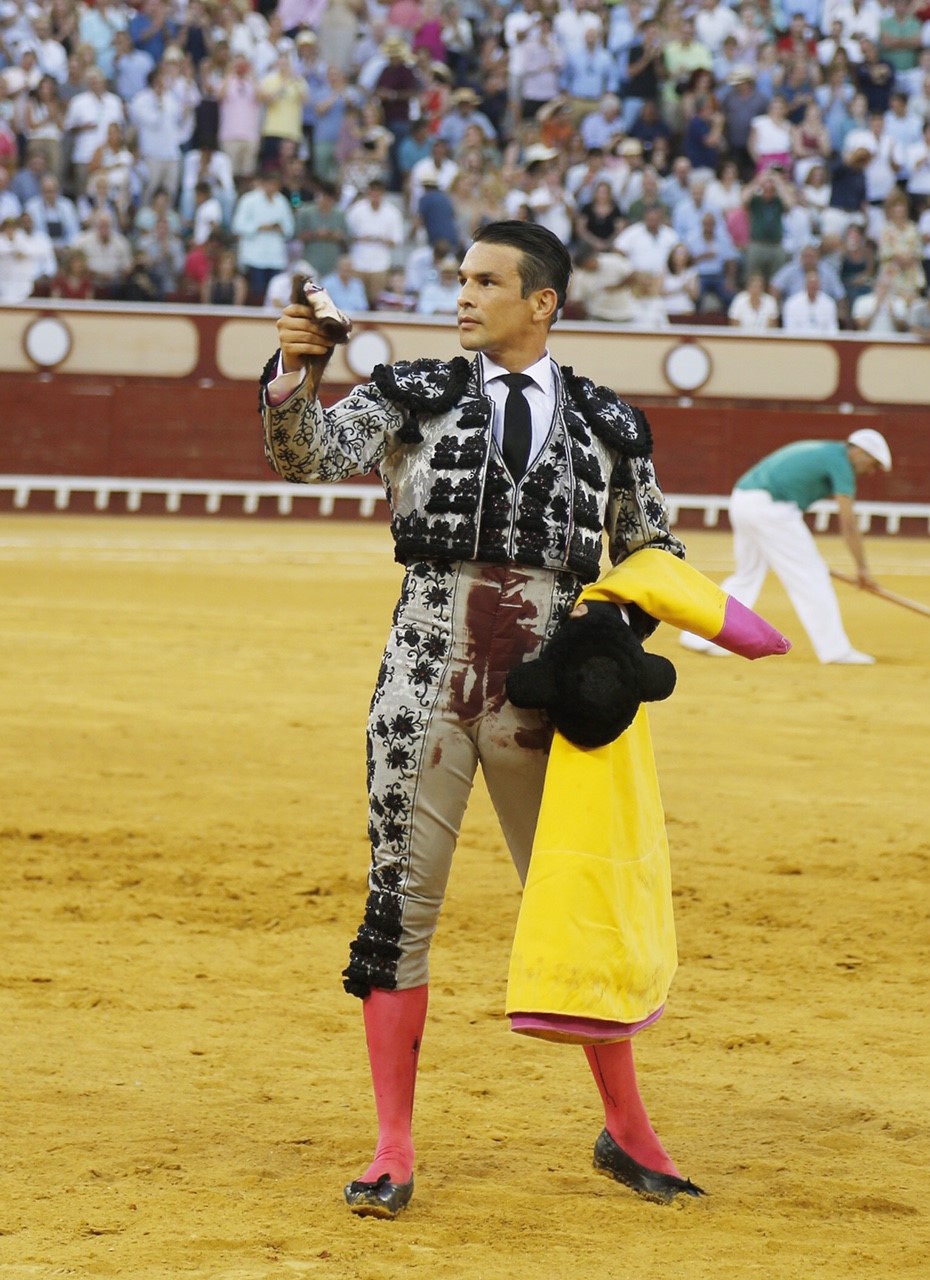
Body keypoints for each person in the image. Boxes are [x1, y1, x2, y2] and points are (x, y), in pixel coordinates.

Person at [260, 220, 699, 1220]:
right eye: (459, 276)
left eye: (486, 280)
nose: (462, 295)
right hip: (424, 670)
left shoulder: (609, 423)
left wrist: (609, 632)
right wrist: (297, 373)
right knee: (397, 909)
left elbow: (655, 546)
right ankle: (392, 1144)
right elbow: (308, 455)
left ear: (541, 302)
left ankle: (627, 1129)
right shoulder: (413, 391)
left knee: (577, 908)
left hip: (548, 689)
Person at [680, 430, 893, 665]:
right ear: (859, 453)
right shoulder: (841, 461)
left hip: (743, 499)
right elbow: (848, 522)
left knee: (747, 576)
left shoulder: (824, 449)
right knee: (812, 576)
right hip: (772, 508)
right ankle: (835, 650)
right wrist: (862, 568)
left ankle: (698, 637)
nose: (870, 472)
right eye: (873, 465)